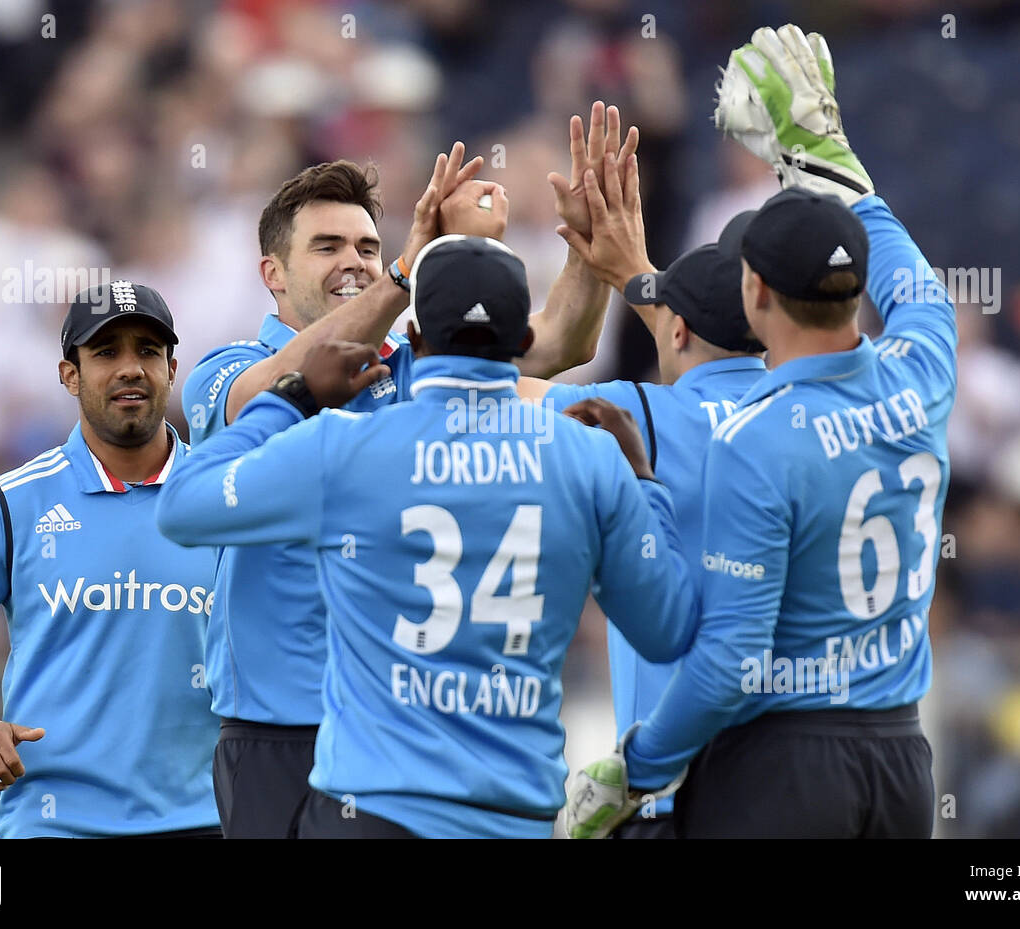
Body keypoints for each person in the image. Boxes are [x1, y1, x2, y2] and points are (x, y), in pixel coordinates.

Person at [179, 104, 639, 837]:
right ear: (272, 273)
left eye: (367, 244)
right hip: (277, 732)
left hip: (392, 737)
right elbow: (269, 394)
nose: (354, 261)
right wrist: (401, 272)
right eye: (327, 246)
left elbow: (558, 341)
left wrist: (588, 246)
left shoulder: (408, 358)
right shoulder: (227, 368)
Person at [568, 25, 952, 839]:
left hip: (782, 769)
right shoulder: (926, 367)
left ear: (755, 292)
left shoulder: (759, 437)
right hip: (902, 760)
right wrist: (833, 158)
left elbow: (731, 663)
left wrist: (635, 768)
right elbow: (904, 275)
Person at [0, 282, 221, 838]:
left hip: (205, 821)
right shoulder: (10, 504)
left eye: (147, 351)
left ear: (172, 368)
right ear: (68, 374)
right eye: (105, 352)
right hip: (56, 826)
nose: (130, 368)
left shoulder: (229, 495)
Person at [518, 153, 767, 838]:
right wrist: (625, 274)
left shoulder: (636, 415)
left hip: (670, 789)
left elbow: (488, 387)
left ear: (679, 330)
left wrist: (587, 263)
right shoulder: (804, 415)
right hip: (791, 779)